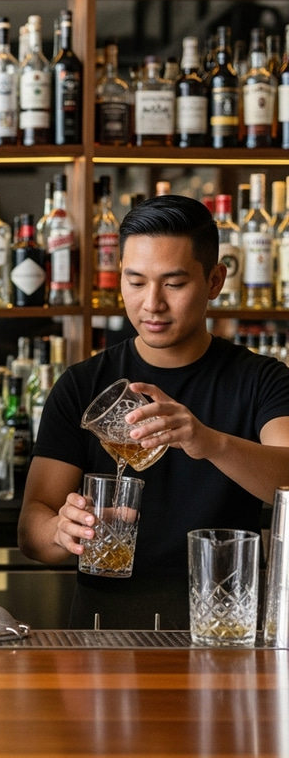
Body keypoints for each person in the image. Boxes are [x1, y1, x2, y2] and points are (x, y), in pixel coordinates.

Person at [18, 194, 289, 630]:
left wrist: (208, 442)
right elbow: (32, 529)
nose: (151, 303)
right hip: (102, 626)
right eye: (136, 281)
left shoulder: (261, 380)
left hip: (223, 625)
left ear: (215, 281)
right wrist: (61, 531)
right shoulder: (83, 384)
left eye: (174, 284)